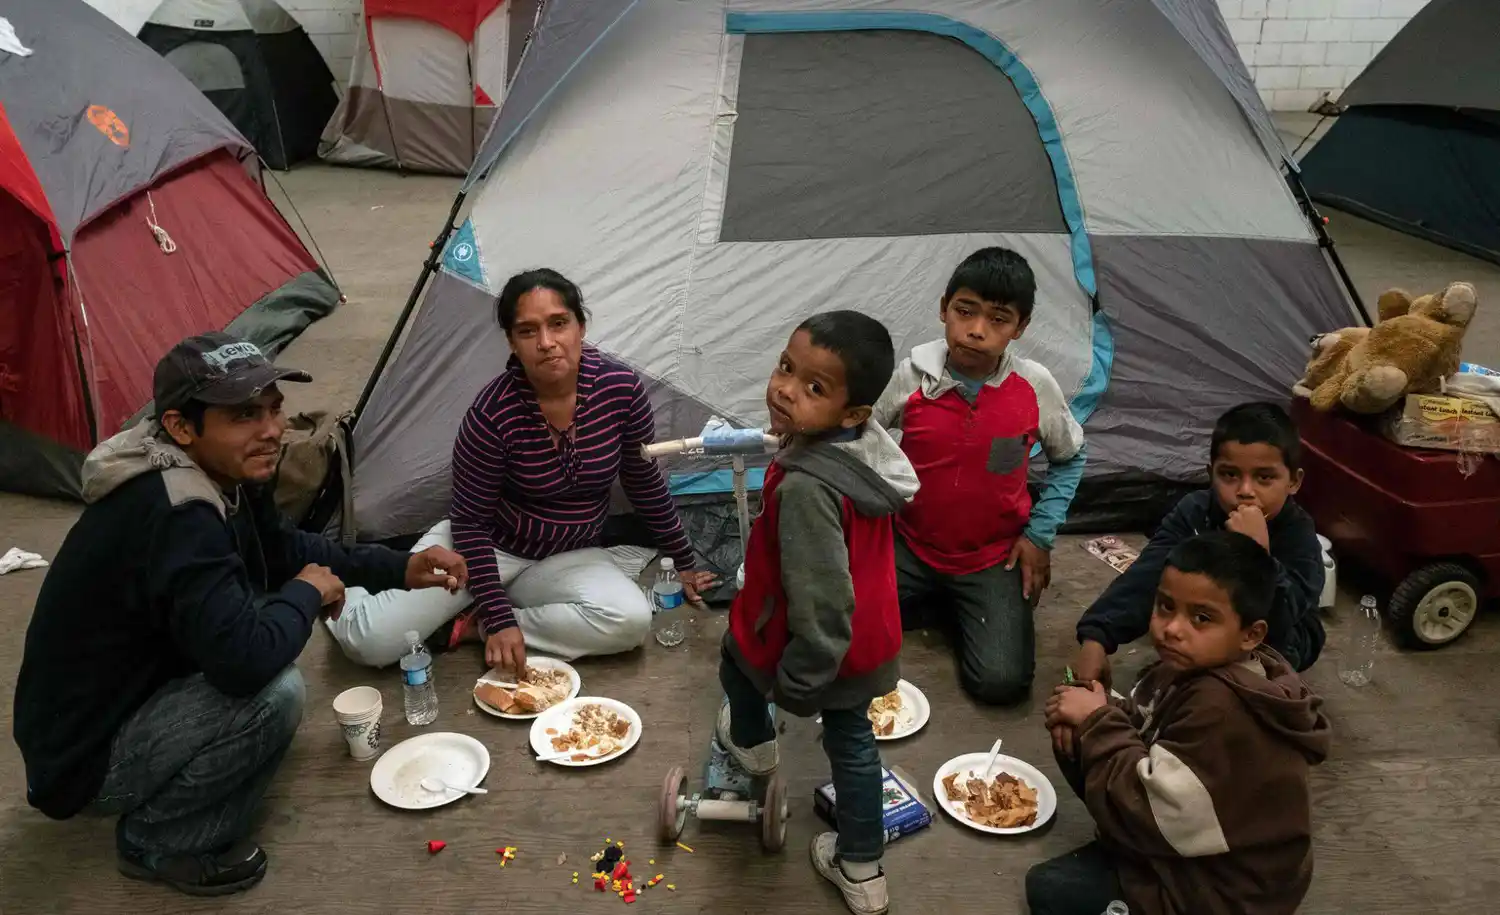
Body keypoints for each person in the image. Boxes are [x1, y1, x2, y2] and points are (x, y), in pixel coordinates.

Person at [12, 333, 465, 896]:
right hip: (86, 760)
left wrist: (399, 567)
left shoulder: (227, 470)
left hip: (136, 693)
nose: (272, 430)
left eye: (274, 409)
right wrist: (304, 595)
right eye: (244, 415)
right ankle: (156, 840)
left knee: (263, 633)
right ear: (181, 427)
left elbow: (283, 549)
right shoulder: (176, 513)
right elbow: (246, 663)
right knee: (275, 694)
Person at [329, 268, 716, 672]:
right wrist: (498, 607)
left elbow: (643, 480)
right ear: (512, 342)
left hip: (568, 556)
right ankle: (346, 576)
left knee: (630, 621)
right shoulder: (492, 414)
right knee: (370, 643)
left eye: (559, 324)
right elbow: (470, 523)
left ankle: (474, 626)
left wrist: (683, 559)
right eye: (528, 331)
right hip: (486, 549)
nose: (547, 343)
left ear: (581, 327)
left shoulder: (621, 391)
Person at [717, 311, 917, 915]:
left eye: (813, 388)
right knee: (854, 743)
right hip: (870, 636)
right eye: (786, 367)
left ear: (852, 413)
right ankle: (862, 869)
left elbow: (823, 601)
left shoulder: (808, 489)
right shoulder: (869, 451)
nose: (784, 389)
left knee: (736, 664)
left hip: (814, 637)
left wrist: (801, 682)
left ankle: (755, 745)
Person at [1031, 530, 1330, 915]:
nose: (1173, 628)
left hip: (1220, 894)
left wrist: (1098, 718)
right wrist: (1098, 707)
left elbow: (1160, 813)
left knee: (1049, 893)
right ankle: (1129, 852)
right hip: (1188, 844)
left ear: (1250, 634)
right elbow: (1149, 727)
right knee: (1075, 726)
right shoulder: (1195, 666)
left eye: (1201, 618)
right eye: (1165, 606)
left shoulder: (1223, 708)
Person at [870, 247, 1085, 706]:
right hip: (910, 544)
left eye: (999, 319)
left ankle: (969, 603)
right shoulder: (912, 378)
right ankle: (949, 603)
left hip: (992, 557)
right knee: (841, 626)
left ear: (1020, 328)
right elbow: (861, 433)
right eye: (965, 311)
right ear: (944, 307)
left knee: (1002, 684)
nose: (976, 330)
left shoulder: (1034, 387)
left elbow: (1071, 457)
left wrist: (1040, 536)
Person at [1072, 402, 1325, 693]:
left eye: (1264, 477)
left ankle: (1226, 682)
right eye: (1229, 475)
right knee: (1173, 597)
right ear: (1210, 473)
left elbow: (1286, 618)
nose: (1245, 490)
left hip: (1280, 635)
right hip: (1209, 619)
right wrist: (1096, 639)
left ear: (1293, 481)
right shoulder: (1196, 512)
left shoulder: (1298, 531)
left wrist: (1258, 553)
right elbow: (1145, 576)